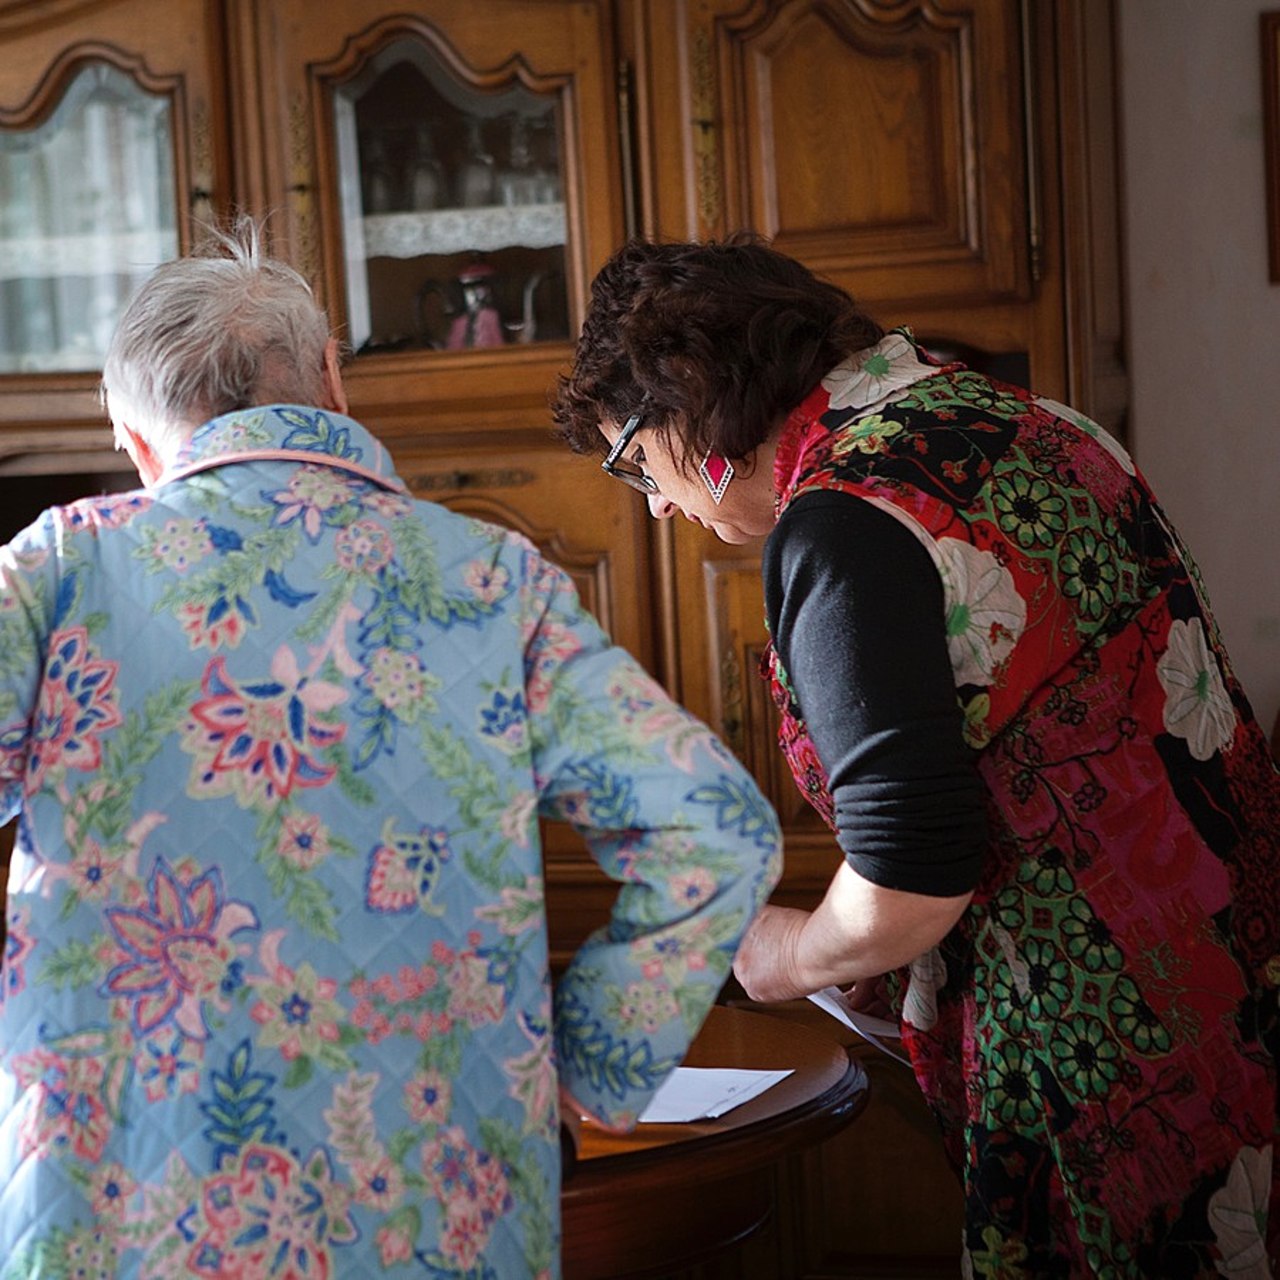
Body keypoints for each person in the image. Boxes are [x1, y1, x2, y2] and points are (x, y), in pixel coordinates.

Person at [0, 222, 783, 1278]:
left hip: (115, 1204)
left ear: (140, 443)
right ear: (331, 377)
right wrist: (577, 1069)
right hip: (436, 1202)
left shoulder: (54, 574)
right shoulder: (490, 580)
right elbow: (718, 833)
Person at [552, 233, 1280, 1276]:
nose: (658, 505)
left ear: (693, 408)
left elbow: (910, 874)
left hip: (1103, 1061)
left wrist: (782, 953)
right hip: (1238, 976)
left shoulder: (842, 520)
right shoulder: (1031, 419)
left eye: (637, 464)